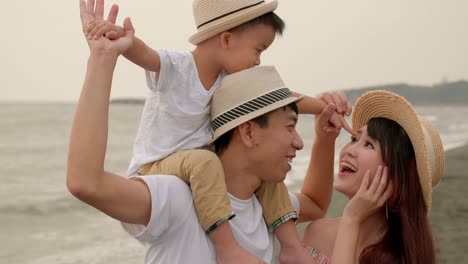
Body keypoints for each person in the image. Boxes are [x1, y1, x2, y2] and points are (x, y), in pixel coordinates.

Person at [70, 1, 353, 262]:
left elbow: (314, 202)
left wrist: (324, 111)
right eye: (258, 50)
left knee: (254, 176)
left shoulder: (256, 191)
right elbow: (146, 54)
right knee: (203, 161)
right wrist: (110, 49)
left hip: (199, 171)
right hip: (158, 167)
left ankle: (292, 246)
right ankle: (227, 247)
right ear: (247, 131)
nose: (258, 61)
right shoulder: (179, 68)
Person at [301, 90, 445, 264]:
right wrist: (324, 138)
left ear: (396, 176)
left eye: (369, 144)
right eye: (354, 139)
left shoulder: (399, 258)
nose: (349, 151)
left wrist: (351, 219)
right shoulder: (317, 231)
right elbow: (312, 201)